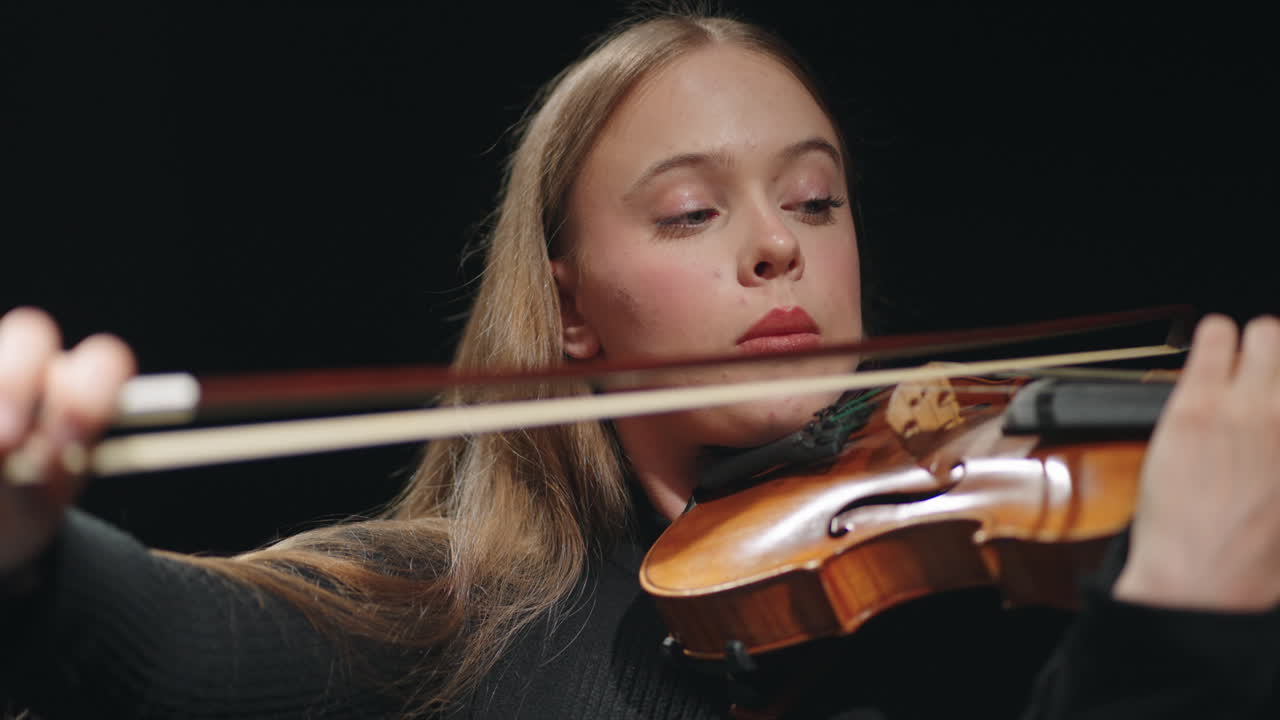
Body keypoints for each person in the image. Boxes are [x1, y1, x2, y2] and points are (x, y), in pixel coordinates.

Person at [2, 9, 1278, 719]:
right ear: (570, 313)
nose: (776, 244)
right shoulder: (445, 616)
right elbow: (162, 645)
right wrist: (22, 540)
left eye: (815, 200)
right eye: (688, 213)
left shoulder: (978, 617)